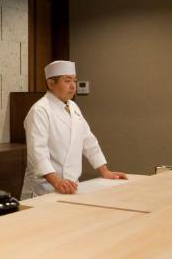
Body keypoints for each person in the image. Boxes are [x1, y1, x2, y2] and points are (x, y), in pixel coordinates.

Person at [21, 60, 127, 199]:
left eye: (75, 81)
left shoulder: (73, 107)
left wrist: (105, 171)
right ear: (51, 84)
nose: (73, 86)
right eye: (67, 81)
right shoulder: (40, 110)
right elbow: (37, 152)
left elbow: (88, 140)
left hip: (71, 186)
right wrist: (56, 181)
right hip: (44, 189)